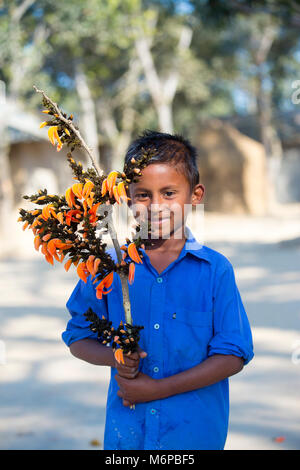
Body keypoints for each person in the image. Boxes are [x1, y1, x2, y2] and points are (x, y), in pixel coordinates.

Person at [62, 130, 254, 450]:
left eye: (168, 193)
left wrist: (157, 389)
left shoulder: (215, 271)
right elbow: (77, 337)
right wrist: (116, 357)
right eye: (143, 194)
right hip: (129, 437)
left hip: (194, 435)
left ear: (195, 195)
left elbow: (233, 355)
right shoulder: (109, 267)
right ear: (126, 197)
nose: (156, 206)